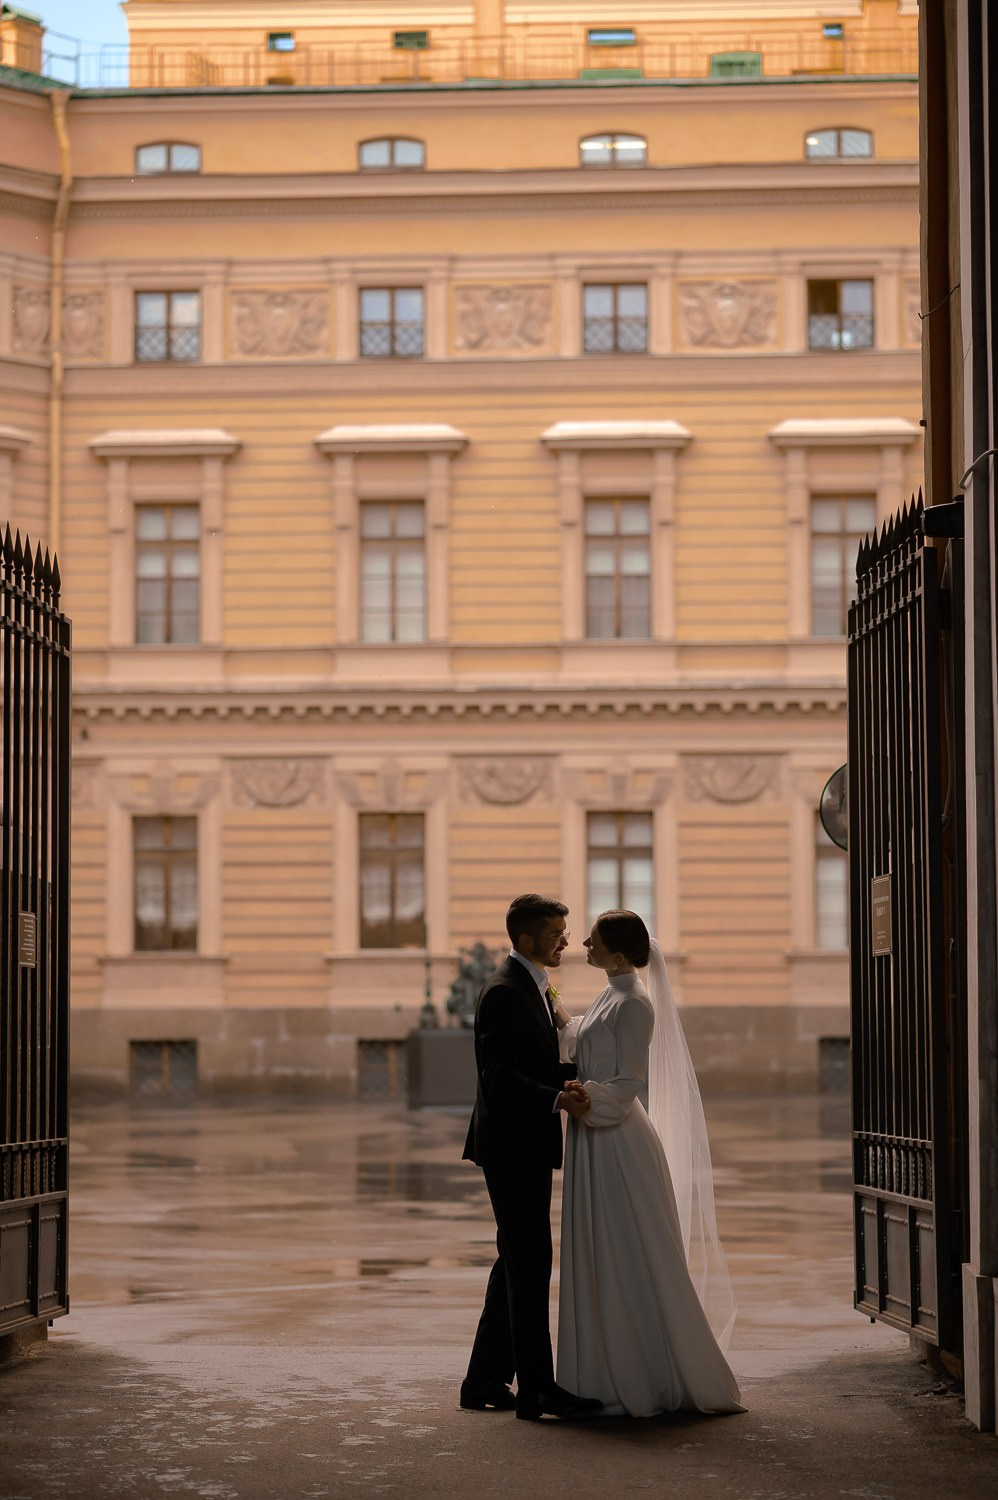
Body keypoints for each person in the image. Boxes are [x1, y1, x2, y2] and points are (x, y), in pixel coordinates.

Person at [553, 909, 744, 1418]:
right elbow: (583, 1040)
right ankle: (603, 1370)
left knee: (628, 1249)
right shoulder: (611, 990)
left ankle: (645, 1373)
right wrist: (557, 1015)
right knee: (603, 1248)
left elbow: (630, 1081)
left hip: (616, 1139)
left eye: (592, 942)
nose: (583, 947)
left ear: (618, 953)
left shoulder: (635, 1003)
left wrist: (585, 1099)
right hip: (595, 1134)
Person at [462, 894, 602, 1422]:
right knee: (529, 1262)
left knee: (515, 1261)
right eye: (555, 933)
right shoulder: (503, 991)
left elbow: (530, 1059)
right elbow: (497, 1076)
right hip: (511, 1146)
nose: (565, 940)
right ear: (525, 939)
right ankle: (538, 1389)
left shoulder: (532, 986)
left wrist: (565, 1077)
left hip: (522, 1142)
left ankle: (482, 1380)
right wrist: (554, 1097)